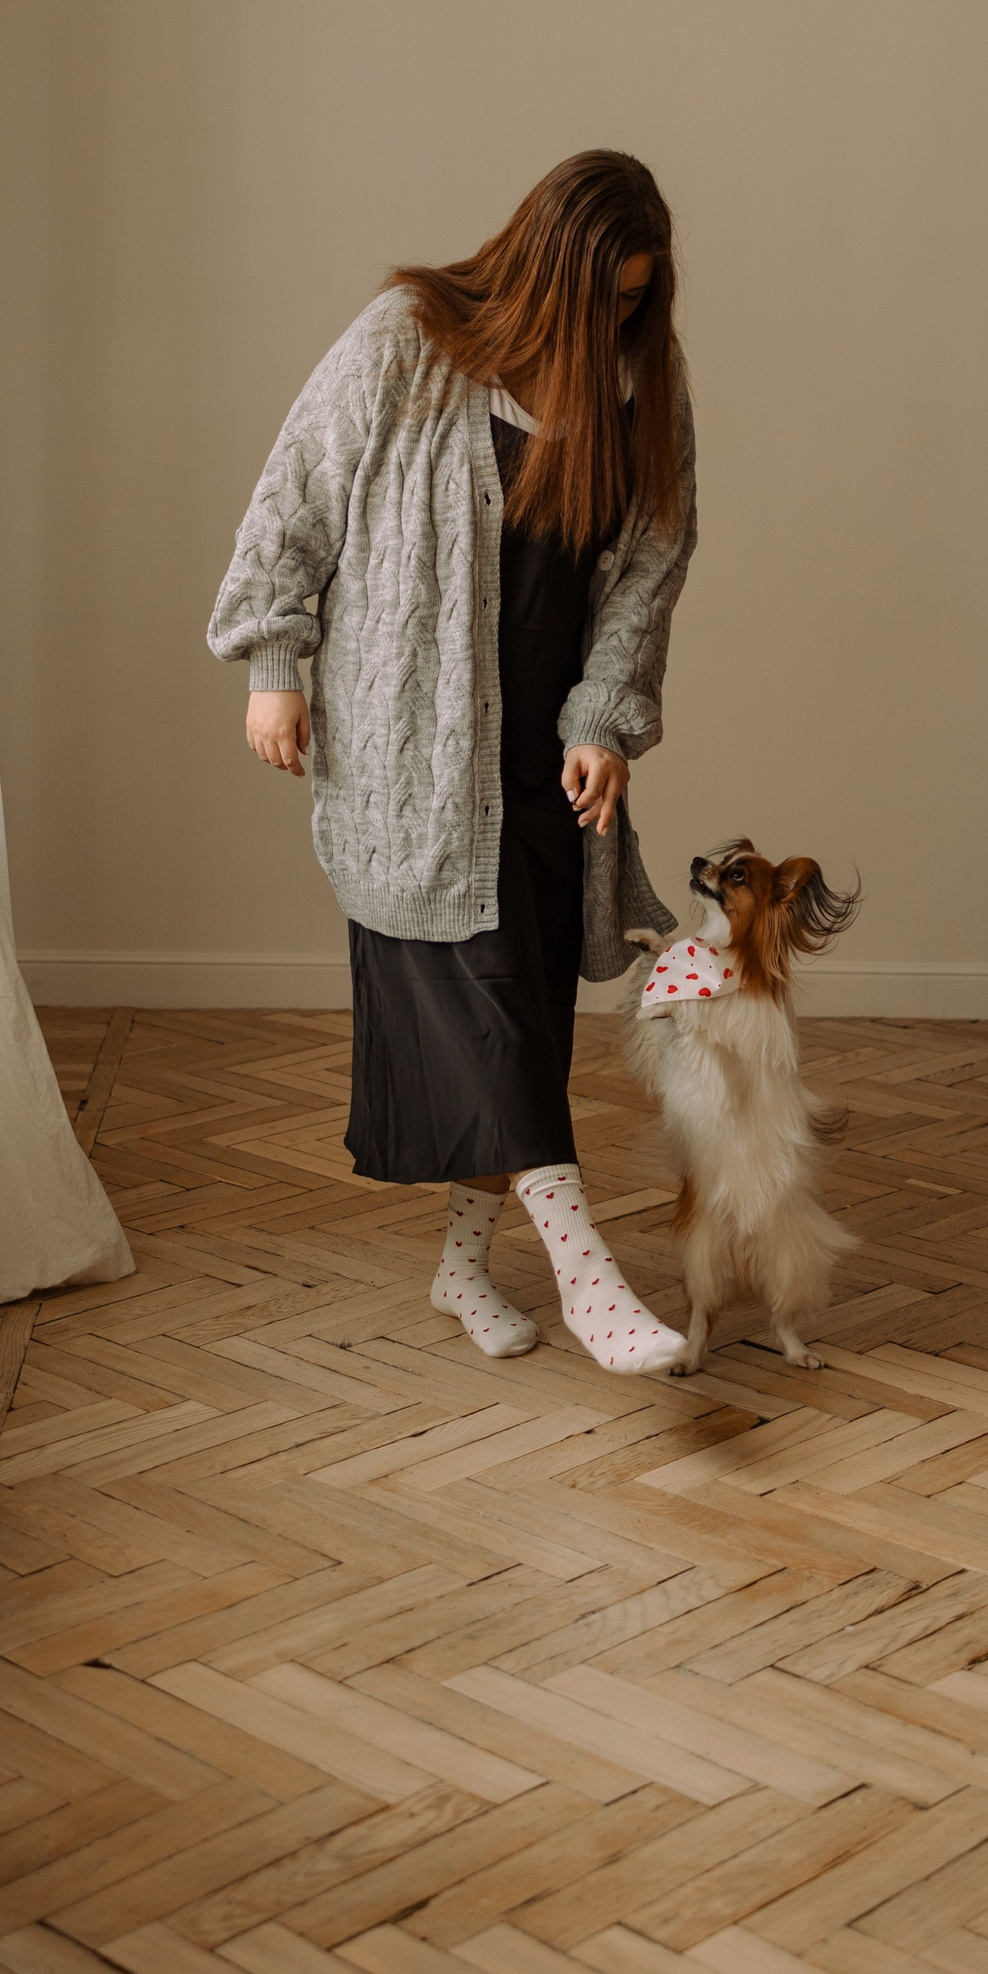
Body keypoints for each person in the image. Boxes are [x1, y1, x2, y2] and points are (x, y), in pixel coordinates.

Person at [208, 149, 698, 1373]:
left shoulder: (641, 380)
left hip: (546, 760)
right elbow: (295, 496)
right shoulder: (409, 338)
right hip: (414, 760)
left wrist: (603, 717)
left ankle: (463, 1268)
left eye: (636, 300)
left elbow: (650, 561)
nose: (619, 321)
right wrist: (275, 659)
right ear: (545, 270)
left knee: (522, 1019)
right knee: (489, 1012)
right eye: (603, 298)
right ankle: (590, 1285)